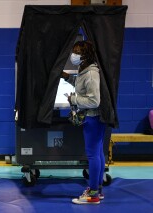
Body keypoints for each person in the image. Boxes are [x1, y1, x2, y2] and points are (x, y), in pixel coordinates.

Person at [61, 40, 106, 205]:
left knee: (93, 155)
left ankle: (93, 194)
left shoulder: (91, 74)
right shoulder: (86, 70)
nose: (73, 55)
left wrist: (74, 99)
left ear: (84, 55)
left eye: (76, 52)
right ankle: (97, 190)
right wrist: (66, 77)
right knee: (98, 153)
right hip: (94, 118)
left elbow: (94, 100)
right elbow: (82, 86)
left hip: (93, 117)